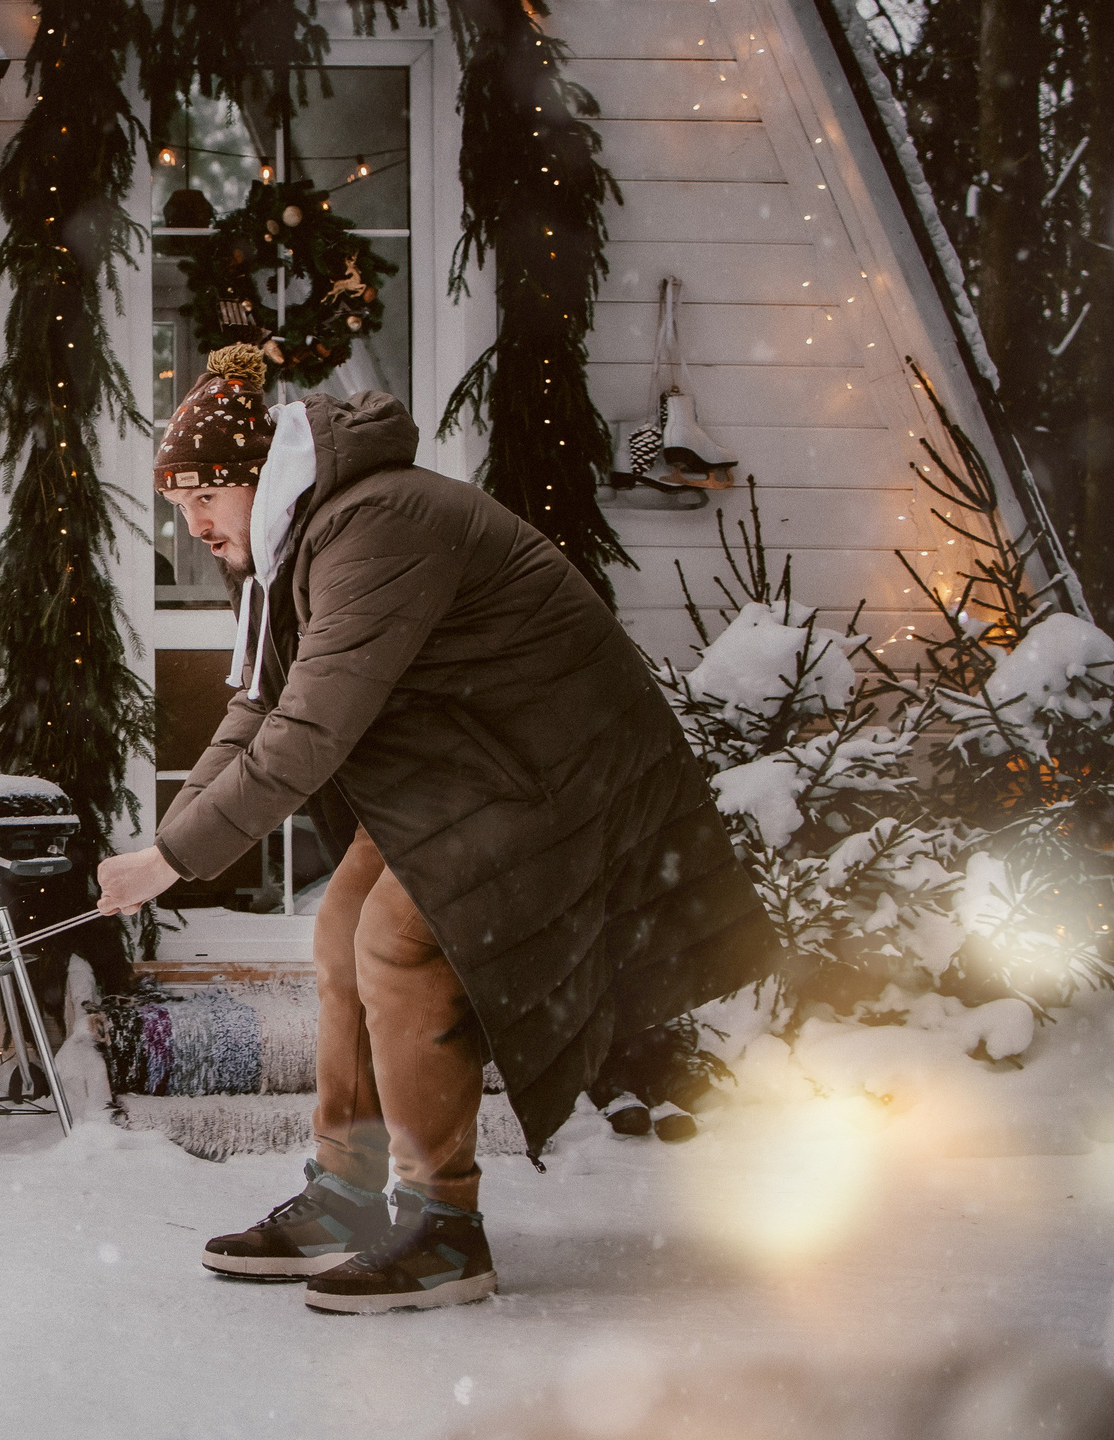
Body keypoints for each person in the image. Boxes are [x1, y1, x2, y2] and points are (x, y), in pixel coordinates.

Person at [96, 346, 772, 1314]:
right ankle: (345, 1199)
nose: (192, 522)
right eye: (180, 501)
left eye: (205, 493)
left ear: (263, 474)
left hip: (552, 767)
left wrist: (174, 860)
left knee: (401, 943)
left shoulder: (375, 526)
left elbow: (311, 726)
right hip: (473, 765)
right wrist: (162, 851)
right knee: (338, 931)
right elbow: (257, 711)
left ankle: (441, 1227)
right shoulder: (306, 538)